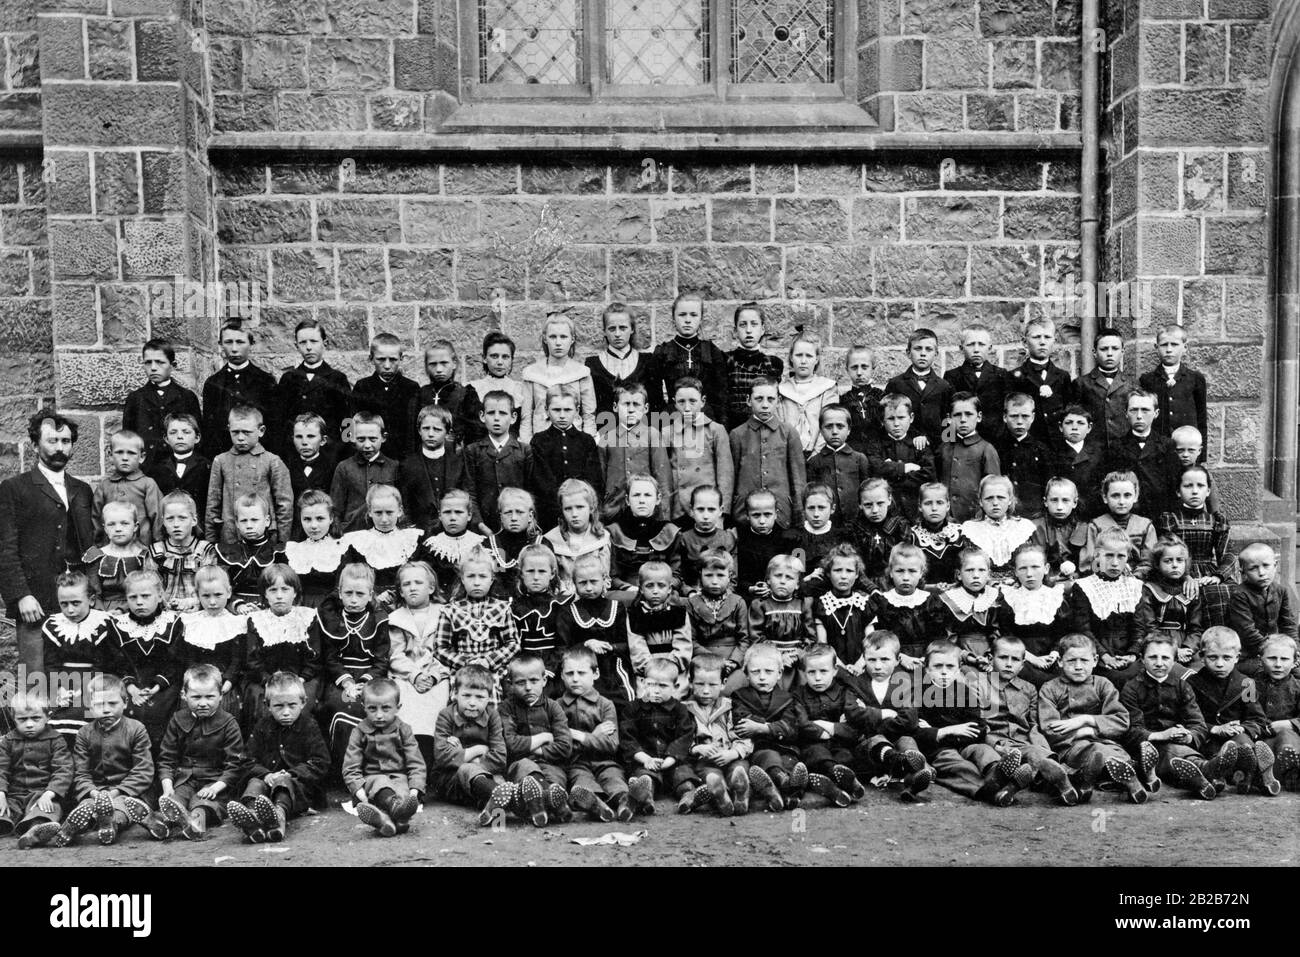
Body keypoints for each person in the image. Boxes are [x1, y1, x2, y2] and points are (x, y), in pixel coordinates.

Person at [0, 408, 96, 674]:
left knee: (78, 673)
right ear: (34, 445)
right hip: (36, 599)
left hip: (77, 599)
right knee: (37, 675)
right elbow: (5, 548)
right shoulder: (14, 488)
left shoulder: (82, 490)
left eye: (65, 442)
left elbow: (90, 545)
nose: (59, 448)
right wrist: (21, 595)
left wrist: (93, 589)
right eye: (52, 441)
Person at [910, 640, 1030, 806]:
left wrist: (945, 732)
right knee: (957, 764)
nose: (944, 672)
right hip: (938, 749)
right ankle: (992, 789)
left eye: (950, 667)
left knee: (983, 750)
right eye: (938, 666)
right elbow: (914, 730)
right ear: (926, 668)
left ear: (958, 668)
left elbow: (979, 726)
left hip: (965, 744)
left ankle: (997, 772)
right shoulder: (917, 693)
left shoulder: (964, 692)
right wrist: (949, 731)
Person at [1038, 634, 1149, 803]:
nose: (1078, 666)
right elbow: (1049, 727)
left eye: (1084, 660)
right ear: (1060, 661)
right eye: (1071, 661)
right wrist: (1080, 734)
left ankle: (1107, 777)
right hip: (1072, 747)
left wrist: (1087, 722)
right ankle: (1132, 778)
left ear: (1095, 660)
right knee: (1095, 751)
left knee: (1107, 751)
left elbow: (1121, 721)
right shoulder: (1050, 689)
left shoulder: (1103, 684)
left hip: (1106, 742)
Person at [1119, 635, 1232, 800]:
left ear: (1174, 661)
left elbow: (1198, 724)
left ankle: (1202, 780)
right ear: (1142, 660)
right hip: (1146, 747)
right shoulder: (1132, 688)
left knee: (1180, 751)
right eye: (1152, 657)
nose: (1159, 663)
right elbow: (1130, 730)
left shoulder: (1182, 686)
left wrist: (1188, 736)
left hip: (1179, 745)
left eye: (1165, 657)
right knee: (1168, 751)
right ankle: (1208, 771)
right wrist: (1161, 735)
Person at [49, 674, 156, 847]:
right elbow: (81, 772)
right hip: (97, 790)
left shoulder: (136, 729)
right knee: (86, 806)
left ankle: (112, 823)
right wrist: (93, 793)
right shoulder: (85, 732)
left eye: (112, 703)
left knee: (123, 807)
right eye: (99, 704)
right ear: (90, 706)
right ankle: (71, 828)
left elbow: (143, 770)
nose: (106, 710)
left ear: (125, 703)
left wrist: (115, 793)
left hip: (128, 791)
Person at [226, 671, 330, 844]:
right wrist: (266, 775)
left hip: (298, 788)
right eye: (279, 706)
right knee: (254, 783)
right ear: (267, 705)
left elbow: (320, 762)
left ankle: (278, 818)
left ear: (303, 703)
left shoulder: (309, 726)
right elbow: (246, 760)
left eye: (292, 705)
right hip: (268, 783)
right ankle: (253, 818)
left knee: (283, 784)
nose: (286, 712)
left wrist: (290, 774)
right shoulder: (263, 725)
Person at [155, 663, 249, 840]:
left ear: (221, 696)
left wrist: (216, 786)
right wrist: (167, 787)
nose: (203, 703)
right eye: (196, 697)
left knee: (204, 804)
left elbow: (234, 764)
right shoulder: (177, 720)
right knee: (173, 801)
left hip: (214, 783)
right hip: (184, 780)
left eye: (210, 697)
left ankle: (196, 824)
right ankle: (161, 823)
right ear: (184, 695)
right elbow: (166, 758)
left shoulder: (229, 723)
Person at [983, 635, 1080, 804]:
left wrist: (1041, 747)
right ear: (990, 659)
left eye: (1015, 660)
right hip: (994, 742)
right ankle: (1066, 781)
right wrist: (996, 746)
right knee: (1020, 760)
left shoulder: (1029, 689)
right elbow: (978, 723)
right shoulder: (978, 684)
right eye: (1003, 658)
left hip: (1021, 743)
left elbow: (1033, 726)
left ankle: (1014, 788)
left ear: (1022, 665)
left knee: (1035, 753)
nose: (1008, 664)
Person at [1186, 627, 1279, 795]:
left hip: (1237, 737)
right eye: (1212, 657)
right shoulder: (1191, 684)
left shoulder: (1246, 684)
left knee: (1243, 742)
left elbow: (1257, 719)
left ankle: (1255, 775)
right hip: (1209, 739)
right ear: (1201, 656)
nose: (1220, 663)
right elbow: (1187, 718)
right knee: (1218, 752)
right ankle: (1240, 776)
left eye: (1226, 657)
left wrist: (1243, 728)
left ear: (1237, 658)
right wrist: (1214, 728)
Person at [101, 569, 185, 748]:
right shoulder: (117, 626)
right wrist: (130, 687)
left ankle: (161, 763)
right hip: (129, 684)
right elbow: (116, 662)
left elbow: (175, 661)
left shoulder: (173, 623)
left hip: (164, 685)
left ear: (160, 596)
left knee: (160, 709)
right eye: (133, 597)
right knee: (128, 708)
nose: (139, 602)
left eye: (146, 596)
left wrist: (156, 686)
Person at [316, 563, 391, 766]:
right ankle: (341, 768)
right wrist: (348, 683)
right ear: (339, 593)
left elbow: (381, 660)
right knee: (338, 705)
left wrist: (365, 683)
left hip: (370, 677)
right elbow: (330, 658)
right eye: (348, 593)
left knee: (371, 707)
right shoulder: (332, 619)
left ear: (370, 594)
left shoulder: (378, 619)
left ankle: (366, 767)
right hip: (339, 678)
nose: (354, 599)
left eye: (360, 593)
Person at [341, 678, 426, 837]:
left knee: (402, 789)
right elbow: (350, 768)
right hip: (371, 781)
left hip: (398, 777)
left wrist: (414, 792)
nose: (379, 715)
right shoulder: (359, 732)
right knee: (381, 782)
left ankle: (387, 821)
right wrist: (361, 796)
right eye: (372, 709)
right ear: (364, 707)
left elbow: (416, 763)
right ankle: (398, 815)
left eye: (386, 708)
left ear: (397, 707)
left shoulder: (404, 730)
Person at [430, 664, 511, 827]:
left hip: (485, 777)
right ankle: (502, 798)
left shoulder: (492, 716)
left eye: (480, 697)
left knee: (500, 779)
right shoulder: (446, 715)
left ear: (489, 697)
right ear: (455, 694)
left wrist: (462, 754)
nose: (472, 703)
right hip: (449, 780)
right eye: (466, 695)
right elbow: (442, 756)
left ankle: (495, 809)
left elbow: (500, 757)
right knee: (469, 770)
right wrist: (479, 750)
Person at [730, 645, 808, 811]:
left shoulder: (788, 698)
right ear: (746, 674)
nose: (762, 677)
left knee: (791, 763)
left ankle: (786, 795)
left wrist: (761, 728)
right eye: (755, 672)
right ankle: (783, 784)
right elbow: (742, 721)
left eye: (768, 671)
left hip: (786, 747)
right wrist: (774, 726)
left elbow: (792, 727)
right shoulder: (740, 696)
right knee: (769, 756)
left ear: (779, 673)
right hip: (760, 748)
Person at [556, 646, 630, 822]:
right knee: (582, 785)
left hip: (606, 761)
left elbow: (612, 745)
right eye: (569, 673)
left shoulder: (605, 705)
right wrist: (595, 734)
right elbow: (562, 746)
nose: (575, 679)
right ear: (561, 676)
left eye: (581, 673)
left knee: (615, 780)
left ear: (595, 674)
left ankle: (626, 803)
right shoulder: (557, 706)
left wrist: (578, 735)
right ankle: (597, 806)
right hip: (576, 764)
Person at [1157, 465, 1236, 626]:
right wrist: (1186, 576)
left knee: (1225, 591)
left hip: (1209, 571)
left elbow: (1228, 554)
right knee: (1188, 592)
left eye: (1200, 486)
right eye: (1188, 486)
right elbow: (1167, 552)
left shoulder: (1216, 520)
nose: (1194, 491)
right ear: (1178, 491)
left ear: (1208, 491)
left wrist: (1217, 576)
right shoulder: (1170, 519)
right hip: (1178, 569)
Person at [500, 653, 573, 827]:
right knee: (526, 769)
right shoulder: (506, 708)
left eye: (534, 681)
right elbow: (510, 744)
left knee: (555, 780)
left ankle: (545, 804)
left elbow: (565, 747)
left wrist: (534, 748)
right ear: (510, 684)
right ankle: (548, 806)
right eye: (520, 682)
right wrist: (543, 737)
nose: (528, 688)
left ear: (544, 680)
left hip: (551, 763)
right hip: (520, 764)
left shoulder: (553, 707)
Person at [243, 564, 320, 728]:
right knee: (261, 706)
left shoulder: (306, 617)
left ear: (295, 592)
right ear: (265, 593)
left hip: (301, 678)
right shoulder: (256, 620)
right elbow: (252, 660)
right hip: (266, 679)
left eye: (285, 589)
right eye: (273, 590)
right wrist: (268, 680)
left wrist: (301, 678)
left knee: (302, 705)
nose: (279, 596)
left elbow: (314, 657)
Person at [791, 645, 868, 807]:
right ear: (804, 673)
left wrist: (831, 728)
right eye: (811, 672)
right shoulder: (798, 694)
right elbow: (802, 724)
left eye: (823, 671)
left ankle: (835, 786)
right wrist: (832, 730)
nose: (817, 678)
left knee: (845, 757)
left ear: (834, 670)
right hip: (812, 744)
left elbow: (854, 727)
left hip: (840, 745)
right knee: (817, 754)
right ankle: (840, 787)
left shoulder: (844, 693)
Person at [620, 656, 698, 816]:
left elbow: (684, 737)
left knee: (683, 775)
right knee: (645, 777)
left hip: (672, 762)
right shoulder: (632, 709)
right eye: (651, 684)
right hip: (645, 762)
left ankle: (688, 796)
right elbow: (628, 739)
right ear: (642, 682)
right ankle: (646, 798)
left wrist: (669, 760)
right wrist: (646, 760)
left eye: (662, 686)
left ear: (675, 686)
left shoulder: (680, 710)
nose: (655, 690)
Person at [206, 405, 293, 546]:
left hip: (265, 536)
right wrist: (210, 541)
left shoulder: (272, 461)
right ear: (229, 429)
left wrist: (283, 541)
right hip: (231, 535)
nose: (240, 438)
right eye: (235, 432)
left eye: (246, 432)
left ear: (261, 431)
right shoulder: (221, 461)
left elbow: (284, 504)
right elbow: (212, 505)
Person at [434, 546, 521, 687]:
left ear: (492, 578)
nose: (476, 582)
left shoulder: (502, 608)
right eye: (470, 576)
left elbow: (513, 643)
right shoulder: (450, 610)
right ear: (462, 578)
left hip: (494, 673)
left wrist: (489, 661)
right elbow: (440, 648)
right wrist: (466, 662)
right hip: (462, 672)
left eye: (482, 576)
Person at [556, 552, 635, 706]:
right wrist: (585, 645)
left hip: (613, 666)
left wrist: (610, 647)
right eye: (583, 583)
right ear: (574, 583)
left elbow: (627, 644)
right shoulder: (567, 612)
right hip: (581, 668)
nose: (589, 588)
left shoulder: (616, 607)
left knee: (625, 700)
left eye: (593, 581)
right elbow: (563, 648)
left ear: (604, 580)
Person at [41, 571, 112, 743]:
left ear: (91, 600)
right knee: (56, 717)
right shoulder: (54, 626)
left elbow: (103, 663)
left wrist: (86, 690)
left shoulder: (103, 624)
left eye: (76, 603)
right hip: (64, 681)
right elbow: (51, 663)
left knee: (87, 716)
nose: (70, 610)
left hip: (96, 682)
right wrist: (59, 688)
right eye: (64, 604)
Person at [1070, 527, 1144, 688]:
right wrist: (1104, 656)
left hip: (1128, 653)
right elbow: (1083, 629)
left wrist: (1133, 654)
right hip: (1098, 652)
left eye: (1121, 556)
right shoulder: (1084, 586)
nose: (1115, 563)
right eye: (1109, 555)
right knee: (1115, 678)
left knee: (1137, 674)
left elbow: (1139, 626)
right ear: (1097, 555)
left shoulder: (1134, 586)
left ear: (1128, 558)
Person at [729, 376, 806, 528]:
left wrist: (799, 514)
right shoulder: (737, 434)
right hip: (745, 513)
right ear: (748, 400)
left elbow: (798, 477)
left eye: (771, 399)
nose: (765, 405)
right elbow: (732, 477)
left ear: (778, 401)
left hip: (781, 511)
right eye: (759, 399)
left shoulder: (789, 433)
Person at [0, 690, 73, 848]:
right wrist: (1, 792)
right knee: (2, 809)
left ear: (47, 717)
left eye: (36, 718)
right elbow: (1, 768)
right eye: (22, 719)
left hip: (42, 794)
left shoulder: (55, 740)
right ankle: (5, 825)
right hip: (14, 795)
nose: (29, 724)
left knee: (48, 809)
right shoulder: (8, 741)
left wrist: (50, 792)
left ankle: (35, 832)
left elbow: (64, 769)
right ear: (14, 719)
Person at [683, 654, 751, 816]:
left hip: (731, 755)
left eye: (712, 684)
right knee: (711, 775)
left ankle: (741, 796)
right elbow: (680, 739)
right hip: (705, 760)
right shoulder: (684, 709)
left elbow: (744, 734)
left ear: (723, 684)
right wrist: (697, 748)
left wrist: (733, 753)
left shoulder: (732, 707)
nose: (706, 691)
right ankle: (722, 797)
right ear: (690, 682)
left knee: (740, 768)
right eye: (700, 684)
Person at [199, 321, 277, 459]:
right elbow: (209, 429)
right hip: (223, 457)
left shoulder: (265, 381)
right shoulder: (213, 383)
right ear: (221, 344)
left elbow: (273, 426)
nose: (234, 349)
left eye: (240, 342)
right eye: (228, 342)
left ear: (251, 344)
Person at [273, 318, 352, 453]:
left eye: (314, 341)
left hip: (329, 453)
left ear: (324, 343)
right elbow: (279, 420)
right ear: (296, 346)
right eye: (303, 342)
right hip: (295, 452)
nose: (308, 347)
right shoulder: (289, 379)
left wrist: (345, 450)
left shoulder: (337, 378)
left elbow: (347, 421)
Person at [530, 386, 603, 532]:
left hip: (581, 512)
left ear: (577, 410)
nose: (562, 415)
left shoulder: (586, 441)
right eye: (556, 410)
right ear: (546, 410)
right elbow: (541, 481)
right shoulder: (539, 441)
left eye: (568, 410)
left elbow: (593, 478)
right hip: (550, 513)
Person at [662, 377, 733, 524]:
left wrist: (722, 513)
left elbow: (725, 475)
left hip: (707, 507)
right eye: (681, 402)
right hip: (679, 507)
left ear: (703, 401)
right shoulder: (667, 433)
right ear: (674, 403)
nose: (687, 408)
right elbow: (664, 474)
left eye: (693, 401)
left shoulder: (716, 430)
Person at [996, 542, 1068, 686]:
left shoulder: (1055, 597)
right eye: (1023, 568)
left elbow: (1061, 633)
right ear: (1015, 572)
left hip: (1051, 656)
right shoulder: (1010, 599)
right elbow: (1007, 635)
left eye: (1035, 567)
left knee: (1064, 675)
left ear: (1046, 568)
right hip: (1021, 657)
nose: (1029, 574)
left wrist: (1054, 654)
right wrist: (1033, 659)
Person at [179, 565, 246, 720]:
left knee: (225, 709)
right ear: (197, 595)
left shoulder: (235, 623)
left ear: (228, 592)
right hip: (196, 681)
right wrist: (192, 682)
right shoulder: (191, 622)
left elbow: (237, 659)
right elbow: (189, 658)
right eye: (206, 596)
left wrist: (228, 682)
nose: (213, 602)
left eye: (218, 595)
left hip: (224, 683)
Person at [598, 381, 670, 522]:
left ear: (646, 408)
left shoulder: (652, 435)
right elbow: (600, 479)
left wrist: (664, 517)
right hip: (613, 510)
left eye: (636, 404)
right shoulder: (606, 438)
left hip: (646, 509)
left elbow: (663, 478)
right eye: (626, 404)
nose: (631, 410)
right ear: (615, 407)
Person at [123, 338, 203, 465]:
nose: (153, 368)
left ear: (173, 365)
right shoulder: (136, 398)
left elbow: (197, 437)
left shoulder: (186, 397)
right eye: (148, 363)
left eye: (160, 362)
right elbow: (128, 439)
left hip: (178, 466)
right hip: (147, 467)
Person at [1103, 390, 1181, 519]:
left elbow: (1174, 485)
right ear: (1126, 413)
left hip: (1159, 514)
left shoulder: (1167, 445)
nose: (1139, 416)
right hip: (1127, 515)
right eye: (1134, 410)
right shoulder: (1116, 447)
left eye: (1145, 410)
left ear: (1156, 413)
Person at [649, 292, 726, 420]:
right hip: (672, 418)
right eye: (682, 315)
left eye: (694, 315)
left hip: (705, 418)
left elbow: (721, 395)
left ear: (701, 319)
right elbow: (654, 396)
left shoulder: (711, 351)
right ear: (673, 318)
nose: (688, 320)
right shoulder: (663, 352)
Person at [520, 315, 598, 440]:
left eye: (563, 337)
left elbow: (589, 415)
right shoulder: (532, 373)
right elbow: (526, 417)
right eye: (553, 337)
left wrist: (587, 444)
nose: (558, 343)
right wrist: (526, 446)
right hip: (541, 442)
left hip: (574, 441)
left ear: (572, 339)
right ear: (545, 339)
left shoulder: (581, 373)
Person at [464, 390, 531, 535]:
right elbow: (470, 492)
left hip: (518, 525)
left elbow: (531, 491)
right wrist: (480, 525)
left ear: (513, 417)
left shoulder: (524, 451)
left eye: (502, 413)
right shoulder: (473, 451)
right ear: (482, 416)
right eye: (491, 413)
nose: (496, 418)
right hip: (484, 526)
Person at [1229, 543, 1299, 675]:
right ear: (1242, 572)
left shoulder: (1280, 591)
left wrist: (1294, 650)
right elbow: (1248, 632)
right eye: (1253, 568)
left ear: (1275, 565)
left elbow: (1288, 624)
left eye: (1266, 566)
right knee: (1267, 673)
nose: (1261, 573)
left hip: (1278, 652)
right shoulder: (1239, 595)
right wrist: (1272, 651)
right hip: (1250, 654)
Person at [351, 333, 421, 460]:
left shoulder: (411, 388)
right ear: (371, 359)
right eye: (381, 359)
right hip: (369, 456)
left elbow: (416, 428)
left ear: (401, 358)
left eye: (393, 360)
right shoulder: (362, 387)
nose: (387, 366)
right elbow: (350, 423)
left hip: (402, 458)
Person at [866, 394, 935, 521]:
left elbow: (928, 473)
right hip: (887, 511)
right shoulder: (876, 444)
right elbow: (875, 468)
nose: (896, 424)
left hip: (915, 507)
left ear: (911, 418)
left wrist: (891, 472)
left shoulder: (919, 444)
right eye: (891, 418)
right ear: (882, 420)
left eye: (901, 417)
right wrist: (904, 468)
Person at [1138, 324, 1208, 449]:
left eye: (1174, 345)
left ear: (1185, 347)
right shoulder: (1147, 380)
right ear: (1156, 347)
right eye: (1164, 345)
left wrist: (1201, 457)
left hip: (1186, 447)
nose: (1169, 350)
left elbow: (1201, 419)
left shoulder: (1195, 379)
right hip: (1157, 448)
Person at [330, 411, 399, 534]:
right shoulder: (344, 467)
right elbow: (336, 507)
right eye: (361, 439)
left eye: (373, 439)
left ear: (383, 438)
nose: (367, 445)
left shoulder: (394, 466)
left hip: (385, 532)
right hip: (351, 532)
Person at [866, 544, 934, 670]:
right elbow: (877, 639)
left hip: (927, 660)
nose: (906, 577)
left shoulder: (930, 601)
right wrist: (900, 657)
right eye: (900, 571)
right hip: (892, 660)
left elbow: (937, 639)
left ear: (921, 573)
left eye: (912, 571)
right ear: (891, 572)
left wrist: (927, 658)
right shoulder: (882, 602)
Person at [1079, 470, 1157, 579]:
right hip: (1103, 580)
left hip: (1137, 581)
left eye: (1127, 495)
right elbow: (1089, 562)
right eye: (1115, 496)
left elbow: (1149, 561)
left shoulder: (1145, 526)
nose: (1121, 501)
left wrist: (1134, 577)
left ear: (1136, 496)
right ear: (1105, 497)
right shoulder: (1096, 525)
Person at [938, 392, 1000, 522]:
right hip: (944, 519)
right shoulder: (943, 448)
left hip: (975, 519)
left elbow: (993, 489)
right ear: (949, 418)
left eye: (969, 414)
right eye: (957, 415)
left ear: (979, 417)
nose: (963, 419)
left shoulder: (986, 449)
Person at [885, 328, 951, 448]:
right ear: (908, 352)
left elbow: (948, 422)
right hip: (904, 446)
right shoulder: (896, 384)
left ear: (936, 353)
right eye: (918, 348)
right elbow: (887, 417)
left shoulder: (944, 386)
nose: (923, 353)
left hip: (935, 447)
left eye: (929, 349)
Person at [152, 491, 217, 614]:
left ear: (194, 520)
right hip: (163, 611)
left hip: (197, 609)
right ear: (163, 521)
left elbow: (211, 586)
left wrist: (192, 602)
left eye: (182, 518)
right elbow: (151, 587)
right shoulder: (156, 551)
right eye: (170, 519)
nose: (176, 524)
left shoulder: (205, 550)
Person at [805, 405, 872, 525]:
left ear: (849, 430)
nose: (834, 432)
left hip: (856, 521)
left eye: (840, 426)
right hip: (827, 523)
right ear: (821, 430)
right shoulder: (814, 462)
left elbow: (867, 492)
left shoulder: (859, 459)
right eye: (829, 426)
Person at [943, 324, 1010, 444]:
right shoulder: (952, 376)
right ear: (961, 348)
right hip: (962, 439)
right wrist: (950, 443)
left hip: (995, 439)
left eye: (981, 344)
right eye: (970, 344)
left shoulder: (1001, 374)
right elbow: (948, 412)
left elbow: (1006, 410)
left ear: (990, 348)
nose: (976, 349)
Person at [1069, 327, 1131, 454]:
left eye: (1115, 349)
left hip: (1123, 450)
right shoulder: (1081, 384)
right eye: (1104, 349)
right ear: (1094, 352)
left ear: (1123, 352)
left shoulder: (1132, 384)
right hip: (1093, 451)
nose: (1109, 353)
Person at [1008, 316, 1070, 444]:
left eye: (1047, 337)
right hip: (1028, 445)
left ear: (1054, 340)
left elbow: (1068, 412)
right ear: (1025, 342)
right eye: (1036, 337)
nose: (1042, 342)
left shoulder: (1063, 377)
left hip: (1056, 446)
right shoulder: (1014, 377)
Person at [148, 413, 211, 539]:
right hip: (169, 530)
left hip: (199, 530)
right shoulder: (157, 469)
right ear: (166, 438)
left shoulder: (207, 466)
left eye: (186, 432)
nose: (180, 436)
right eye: (173, 432)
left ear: (197, 437)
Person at [82, 500, 153, 611]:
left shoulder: (143, 556)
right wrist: (104, 615)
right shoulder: (96, 556)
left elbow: (147, 590)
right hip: (103, 610)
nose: (118, 529)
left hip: (136, 608)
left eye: (124, 523)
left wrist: (123, 610)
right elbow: (94, 592)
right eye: (111, 524)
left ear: (135, 526)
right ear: (105, 528)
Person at [95, 429, 164, 544]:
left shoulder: (148, 484)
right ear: (110, 455)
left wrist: (159, 547)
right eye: (119, 452)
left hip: (141, 548)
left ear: (142, 457)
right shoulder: (104, 487)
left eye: (131, 453)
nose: (125, 458)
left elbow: (158, 519)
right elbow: (96, 520)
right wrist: (99, 547)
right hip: (111, 549)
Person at [411, 340, 482, 449]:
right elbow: (412, 433)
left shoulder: (465, 395)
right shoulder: (420, 394)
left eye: (444, 363)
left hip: (455, 457)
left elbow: (476, 435)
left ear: (454, 363)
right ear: (426, 366)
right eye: (433, 364)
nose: (439, 369)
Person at [586, 304, 651, 422]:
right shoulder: (592, 364)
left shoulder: (647, 361)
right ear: (604, 331)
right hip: (605, 433)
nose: (617, 334)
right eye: (612, 328)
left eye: (622, 328)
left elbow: (656, 403)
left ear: (632, 329)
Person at [777, 333, 840, 454]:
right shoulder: (781, 390)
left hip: (820, 453)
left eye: (809, 356)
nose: (803, 361)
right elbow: (779, 426)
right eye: (799, 355)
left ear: (816, 359)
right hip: (788, 453)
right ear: (791, 357)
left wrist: (817, 452)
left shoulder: (827, 387)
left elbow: (829, 422)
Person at [727, 303, 784, 431]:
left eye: (754, 324)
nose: (748, 330)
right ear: (735, 331)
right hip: (733, 429)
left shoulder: (773, 364)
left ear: (762, 329)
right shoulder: (725, 360)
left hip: (764, 430)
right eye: (743, 325)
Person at [994, 394, 1052, 520]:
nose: (1020, 421)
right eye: (1014, 416)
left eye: (1025, 416)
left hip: (1034, 516)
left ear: (1033, 417)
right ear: (1005, 417)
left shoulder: (1042, 450)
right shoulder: (995, 448)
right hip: (1002, 515)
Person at [284, 490, 346, 607]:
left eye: (320, 518)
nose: (313, 526)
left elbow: (341, 588)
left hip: (331, 608)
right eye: (307, 519)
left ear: (331, 518)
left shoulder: (341, 548)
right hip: (298, 608)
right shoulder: (294, 550)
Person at [1256, 635, 1300, 787]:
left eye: (1284, 659)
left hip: (1291, 741)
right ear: (1260, 659)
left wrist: (1290, 724)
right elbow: (1245, 712)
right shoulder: (1249, 685)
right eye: (1272, 658)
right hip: (1261, 739)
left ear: (1295, 662)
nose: (1278, 664)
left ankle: (1292, 770)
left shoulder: (1297, 687)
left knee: (1287, 737)